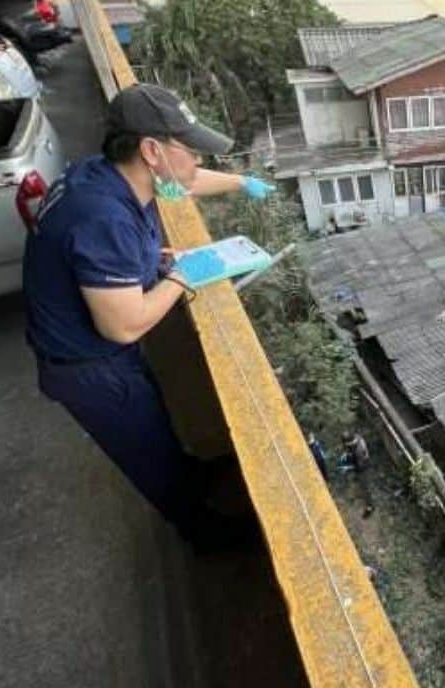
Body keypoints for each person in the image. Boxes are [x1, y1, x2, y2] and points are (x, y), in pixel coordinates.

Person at [21, 83, 275, 550]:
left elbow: (187, 182)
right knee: (149, 456)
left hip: (102, 357)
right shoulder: (104, 217)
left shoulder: (106, 176)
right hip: (90, 367)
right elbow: (123, 324)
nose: (197, 160)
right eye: (191, 149)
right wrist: (179, 277)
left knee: (157, 431)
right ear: (152, 150)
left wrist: (239, 184)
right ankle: (208, 536)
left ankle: (191, 474)